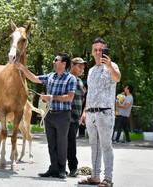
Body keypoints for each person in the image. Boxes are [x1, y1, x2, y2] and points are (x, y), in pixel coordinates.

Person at [16, 52, 76, 179]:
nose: (53, 62)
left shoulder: (70, 79)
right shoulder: (50, 76)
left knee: (61, 144)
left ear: (64, 63)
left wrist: (51, 97)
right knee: (51, 143)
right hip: (50, 115)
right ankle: (53, 168)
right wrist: (23, 68)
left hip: (63, 116)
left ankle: (61, 169)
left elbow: (70, 98)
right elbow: (34, 78)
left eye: (56, 60)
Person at [78, 38, 121, 187]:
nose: (98, 52)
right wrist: (84, 112)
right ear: (92, 52)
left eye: (101, 50)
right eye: (95, 49)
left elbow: (117, 78)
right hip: (91, 113)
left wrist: (109, 66)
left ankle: (108, 178)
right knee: (94, 146)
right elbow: (89, 93)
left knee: (106, 145)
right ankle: (95, 176)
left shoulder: (112, 66)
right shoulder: (90, 71)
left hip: (105, 113)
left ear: (105, 51)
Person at [67, 57, 86, 177]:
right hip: (66, 117)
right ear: (72, 66)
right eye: (79, 66)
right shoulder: (66, 79)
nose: (82, 70)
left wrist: (84, 113)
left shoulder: (80, 82)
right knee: (66, 144)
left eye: (83, 68)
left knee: (71, 143)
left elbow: (84, 99)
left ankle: (71, 168)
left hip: (76, 118)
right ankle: (67, 168)